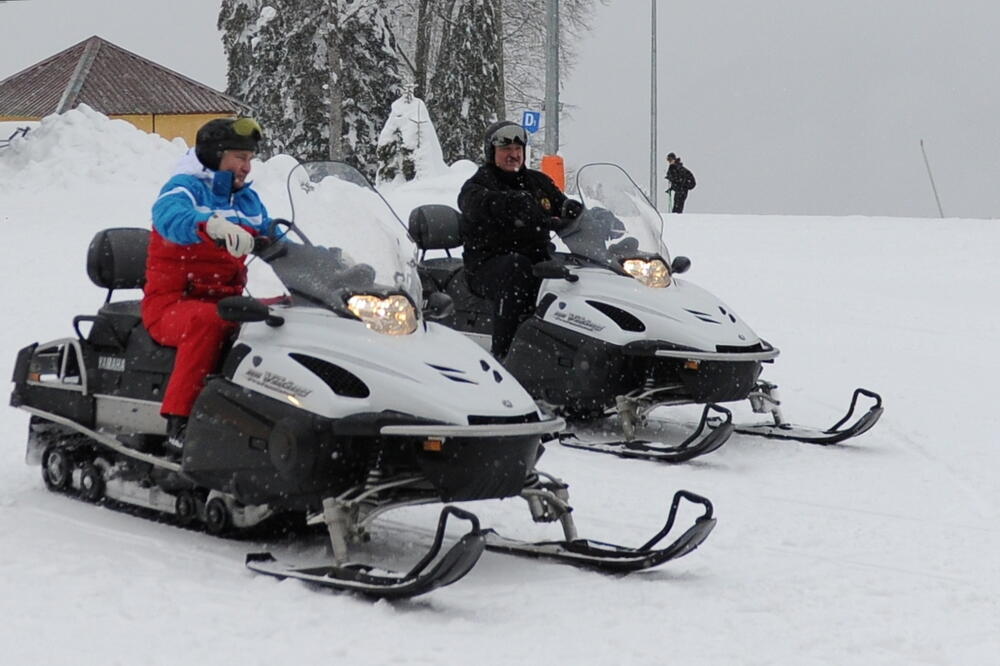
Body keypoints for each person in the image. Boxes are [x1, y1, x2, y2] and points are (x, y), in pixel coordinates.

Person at [141, 117, 272, 451]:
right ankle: (180, 423)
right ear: (216, 155)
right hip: (171, 304)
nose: (247, 166)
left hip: (226, 300)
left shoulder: (246, 200)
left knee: (280, 317)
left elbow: (275, 234)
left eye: (250, 158)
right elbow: (169, 218)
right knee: (208, 323)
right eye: (240, 157)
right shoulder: (184, 187)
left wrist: (323, 258)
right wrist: (209, 225)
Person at [458, 121, 583, 359]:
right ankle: (504, 355)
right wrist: (511, 205)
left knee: (577, 272)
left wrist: (581, 214)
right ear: (491, 152)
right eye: (506, 150)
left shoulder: (537, 182)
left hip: (537, 260)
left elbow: (561, 204)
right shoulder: (477, 186)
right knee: (516, 268)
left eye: (518, 149)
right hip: (488, 265)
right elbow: (475, 204)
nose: (513, 155)